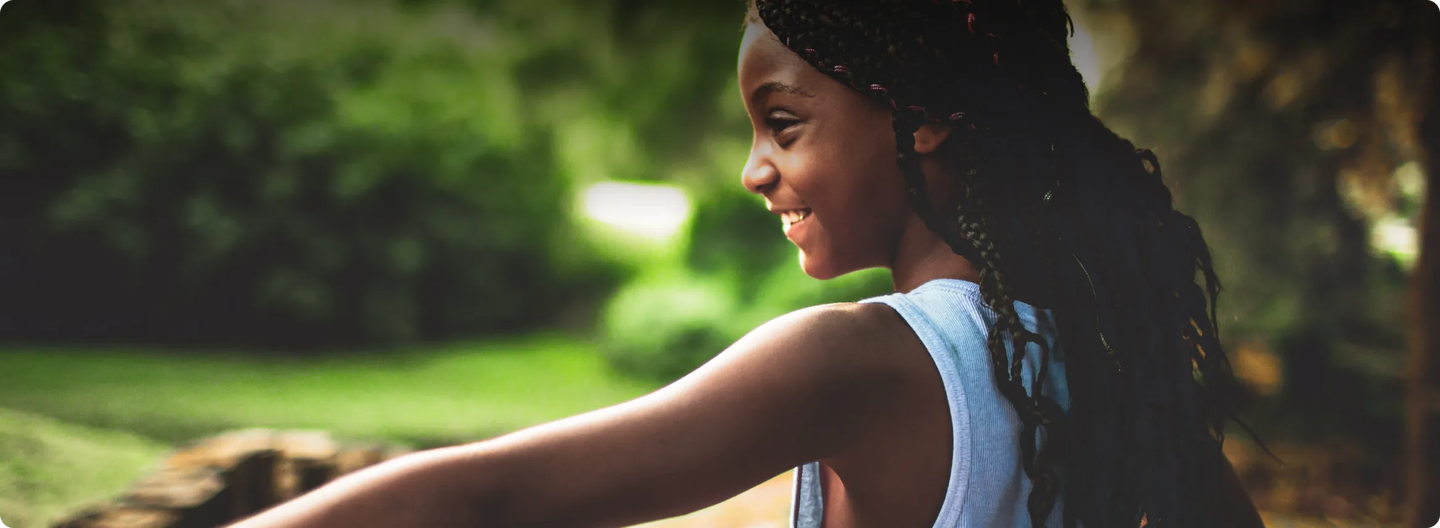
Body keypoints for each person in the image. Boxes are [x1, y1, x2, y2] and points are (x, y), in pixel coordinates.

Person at [228, 0, 1267, 526]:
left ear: (930, 117)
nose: (753, 173)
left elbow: (489, 500)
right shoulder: (1111, 365)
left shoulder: (861, 362)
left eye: (783, 125)